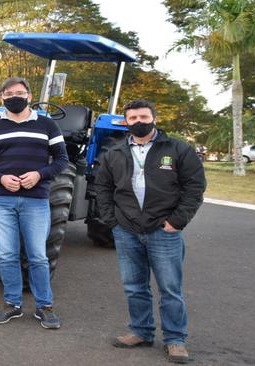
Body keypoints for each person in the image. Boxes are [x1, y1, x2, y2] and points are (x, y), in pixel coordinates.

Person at [94, 100, 206, 364]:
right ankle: (141, 331)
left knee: (170, 288)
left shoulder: (177, 149)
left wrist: (177, 221)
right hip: (127, 230)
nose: (138, 121)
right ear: (126, 122)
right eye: (132, 118)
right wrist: (113, 221)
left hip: (163, 231)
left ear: (154, 117)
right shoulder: (115, 152)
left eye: (143, 116)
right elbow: (102, 188)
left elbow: (195, 186)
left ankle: (175, 339)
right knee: (134, 286)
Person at [0, 77, 69, 329]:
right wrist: (0, 178)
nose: (15, 96)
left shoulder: (47, 125)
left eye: (20, 92)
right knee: (7, 255)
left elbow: (61, 160)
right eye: (9, 93)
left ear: (28, 95)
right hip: (0, 199)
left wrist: (39, 175)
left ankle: (44, 306)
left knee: (37, 256)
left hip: (36, 200)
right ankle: (12, 304)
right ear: (2, 97)